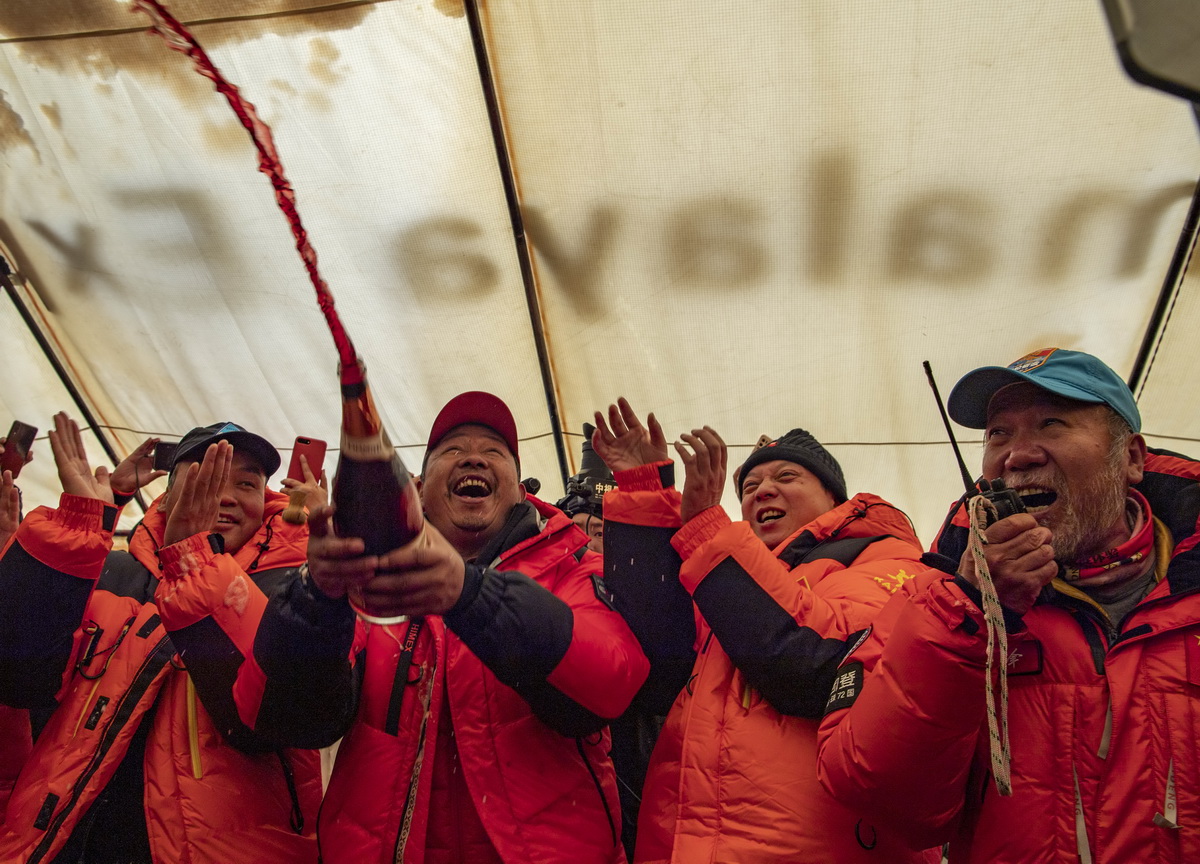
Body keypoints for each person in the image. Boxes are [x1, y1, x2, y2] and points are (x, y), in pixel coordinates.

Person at [817, 347, 1200, 863]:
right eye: (999, 433)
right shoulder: (936, 597)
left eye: (1051, 423)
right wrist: (968, 613)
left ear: (1130, 458)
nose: (1018, 454)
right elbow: (879, 793)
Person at [271, 391, 649, 864]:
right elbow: (293, 717)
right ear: (420, 488)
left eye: (494, 451)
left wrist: (472, 595)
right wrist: (315, 599)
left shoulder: (573, 565)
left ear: (519, 488)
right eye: (451, 451)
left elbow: (612, 676)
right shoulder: (368, 577)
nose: (473, 457)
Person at [593, 398, 938, 864]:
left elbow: (812, 665)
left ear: (836, 499)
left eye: (786, 477)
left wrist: (705, 528)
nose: (762, 491)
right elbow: (655, 660)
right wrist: (644, 490)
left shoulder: (890, 560)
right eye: (749, 485)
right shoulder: (725, 576)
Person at [0, 414, 331, 864]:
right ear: (166, 496)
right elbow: (22, 676)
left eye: (248, 484)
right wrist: (71, 531)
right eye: (203, 478)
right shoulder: (113, 571)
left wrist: (195, 562)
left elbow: (277, 718)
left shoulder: (291, 588)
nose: (225, 496)